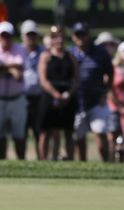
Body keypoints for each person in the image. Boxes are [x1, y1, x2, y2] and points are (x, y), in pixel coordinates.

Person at [0, 21, 29, 160]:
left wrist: (0, 67)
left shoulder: (20, 49)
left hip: (16, 99)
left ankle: (21, 164)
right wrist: (10, 68)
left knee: (19, 136)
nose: (5, 39)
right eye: (3, 36)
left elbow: (19, 73)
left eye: (8, 36)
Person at [69, 21, 113, 161]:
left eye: (83, 34)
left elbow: (110, 73)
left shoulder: (100, 53)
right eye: (78, 34)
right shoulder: (70, 53)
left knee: (100, 132)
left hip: (97, 101)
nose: (81, 37)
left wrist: (105, 92)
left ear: (88, 36)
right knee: (79, 137)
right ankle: (83, 166)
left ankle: (106, 164)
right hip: (77, 102)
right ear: (73, 37)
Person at [36, 25, 79, 161]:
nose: (59, 40)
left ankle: (70, 159)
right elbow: (43, 79)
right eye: (56, 37)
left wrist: (68, 94)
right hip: (50, 97)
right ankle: (44, 160)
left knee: (68, 131)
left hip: (67, 96)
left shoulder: (70, 56)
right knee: (46, 131)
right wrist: (56, 94)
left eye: (61, 37)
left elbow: (76, 79)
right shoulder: (46, 56)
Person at [106, 39, 124, 162]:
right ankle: (111, 163)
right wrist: (119, 107)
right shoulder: (114, 68)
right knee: (112, 137)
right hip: (114, 107)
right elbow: (109, 89)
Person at [20, 20, 44, 159]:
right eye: (28, 35)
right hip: (22, 97)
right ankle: (22, 161)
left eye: (33, 34)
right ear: (23, 35)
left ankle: (41, 161)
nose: (31, 37)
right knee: (21, 133)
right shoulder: (17, 51)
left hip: (39, 97)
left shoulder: (44, 52)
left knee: (39, 132)